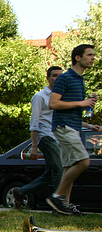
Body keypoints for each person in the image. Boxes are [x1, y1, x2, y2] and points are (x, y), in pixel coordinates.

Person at [46, 44, 102, 215]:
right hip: (64, 127)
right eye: (89, 55)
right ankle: (57, 196)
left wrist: (89, 124)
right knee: (83, 162)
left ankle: (65, 207)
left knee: (68, 166)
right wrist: (82, 103)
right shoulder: (65, 78)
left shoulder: (80, 80)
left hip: (74, 126)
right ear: (78, 58)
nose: (93, 58)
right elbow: (53, 103)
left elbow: (73, 109)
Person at [12, 66, 64, 209]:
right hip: (45, 136)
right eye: (54, 75)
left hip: (57, 137)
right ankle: (59, 205)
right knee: (60, 169)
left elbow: (65, 119)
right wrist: (34, 146)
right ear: (48, 78)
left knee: (51, 173)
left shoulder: (60, 97)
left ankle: (20, 192)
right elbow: (34, 123)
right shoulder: (40, 97)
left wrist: (89, 126)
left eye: (60, 75)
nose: (57, 78)